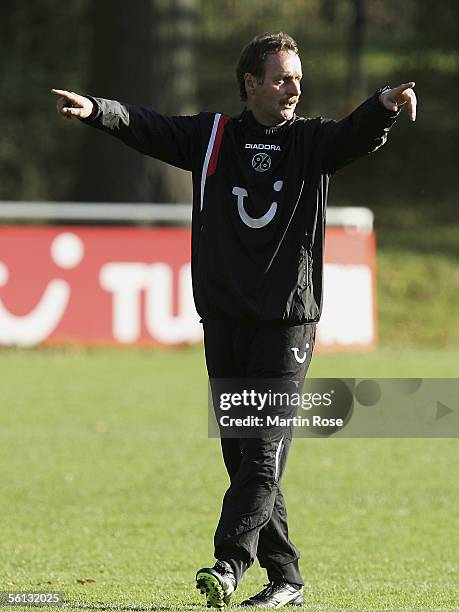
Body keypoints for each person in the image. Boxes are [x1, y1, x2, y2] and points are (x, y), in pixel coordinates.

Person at [52, 31, 416, 609]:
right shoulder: (212, 135)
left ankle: (228, 565)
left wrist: (382, 107)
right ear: (251, 85)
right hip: (224, 316)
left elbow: (353, 136)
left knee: (264, 451)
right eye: (281, 77)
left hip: (287, 320)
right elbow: (150, 127)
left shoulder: (310, 142)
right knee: (242, 453)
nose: (293, 88)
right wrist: (99, 110)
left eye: (298, 77)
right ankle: (287, 578)